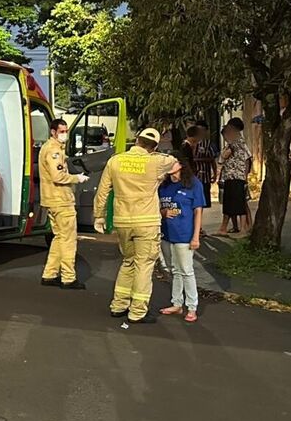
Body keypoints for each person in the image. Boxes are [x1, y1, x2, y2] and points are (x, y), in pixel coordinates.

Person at [93, 127, 179, 323]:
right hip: (147, 222)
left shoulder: (115, 161)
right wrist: (155, 152)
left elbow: (103, 190)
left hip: (123, 221)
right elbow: (174, 163)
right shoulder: (156, 161)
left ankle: (118, 304)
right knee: (144, 265)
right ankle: (137, 311)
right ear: (154, 146)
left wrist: (99, 216)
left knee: (128, 261)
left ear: (137, 140)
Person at [39, 118, 90, 289]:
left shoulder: (49, 148)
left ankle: (50, 273)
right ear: (53, 132)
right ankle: (68, 277)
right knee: (68, 239)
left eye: (66, 131)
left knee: (59, 237)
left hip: (52, 200)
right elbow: (58, 176)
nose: (65, 134)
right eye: (62, 131)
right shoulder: (54, 151)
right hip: (61, 200)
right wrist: (78, 178)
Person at [158, 154, 205, 323]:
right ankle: (176, 303)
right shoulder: (163, 185)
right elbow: (156, 207)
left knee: (186, 270)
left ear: (181, 165)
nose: (170, 165)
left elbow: (198, 211)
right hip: (167, 234)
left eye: (174, 162)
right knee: (174, 269)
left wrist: (195, 237)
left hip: (184, 234)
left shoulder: (193, 184)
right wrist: (163, 213)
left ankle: (192, 306)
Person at [217, 121, 252, 235]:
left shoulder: (236, 142)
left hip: (236, 176)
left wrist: (245, 175)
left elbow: (223, 157)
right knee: (231, 203)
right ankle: (227, 228)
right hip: (232, 176)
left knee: (239, 203)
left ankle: (243, 228)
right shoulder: (237, 142)